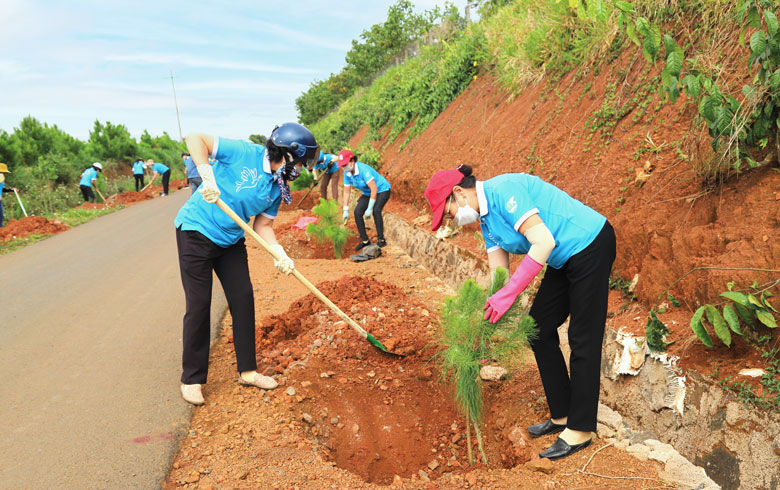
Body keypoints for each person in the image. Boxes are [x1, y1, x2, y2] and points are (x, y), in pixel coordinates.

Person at [424, 164, 616, 461]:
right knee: (537, 326)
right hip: (562, 259)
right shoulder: (486, 223)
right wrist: (483, 335)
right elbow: (498, 280)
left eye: (448, 213)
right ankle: (563, 415)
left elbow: (544, 241)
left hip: (589, 244)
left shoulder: (504, 191)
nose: (453, 220)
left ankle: (580, 430)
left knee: (582, 337)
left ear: (458, 193)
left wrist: (510, 294)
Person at [174, 122, 319, 406]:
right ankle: (192, 378)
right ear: (287, 154)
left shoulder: (278, 186)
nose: (301, 169)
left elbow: (263, 225)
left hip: (230, 240)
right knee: (199, 304)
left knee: (243, 299)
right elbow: (195, 138)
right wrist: (207, 176)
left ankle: (248, 372)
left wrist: (279, 252)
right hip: (195, 232)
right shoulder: (244, 152)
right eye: (300, 162)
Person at [338, 149, 391, 251]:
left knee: (376, 210)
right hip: (367, 193)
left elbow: (374, 189)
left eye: (345, 164)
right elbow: (346, 191)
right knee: (357, 212)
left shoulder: (363, 170)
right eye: (342, 165)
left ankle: (381, 240)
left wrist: (369, 208)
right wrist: (345, 210)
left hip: (382, 190)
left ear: (352, 161)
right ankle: (365, 240)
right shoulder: (347, 173)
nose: (344, 167)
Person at [0, 163, 17, 227]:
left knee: (1, 216)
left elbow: (3, 189)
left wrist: (11, 190)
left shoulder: (1, 179)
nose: (4, 174)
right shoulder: (1, 177)